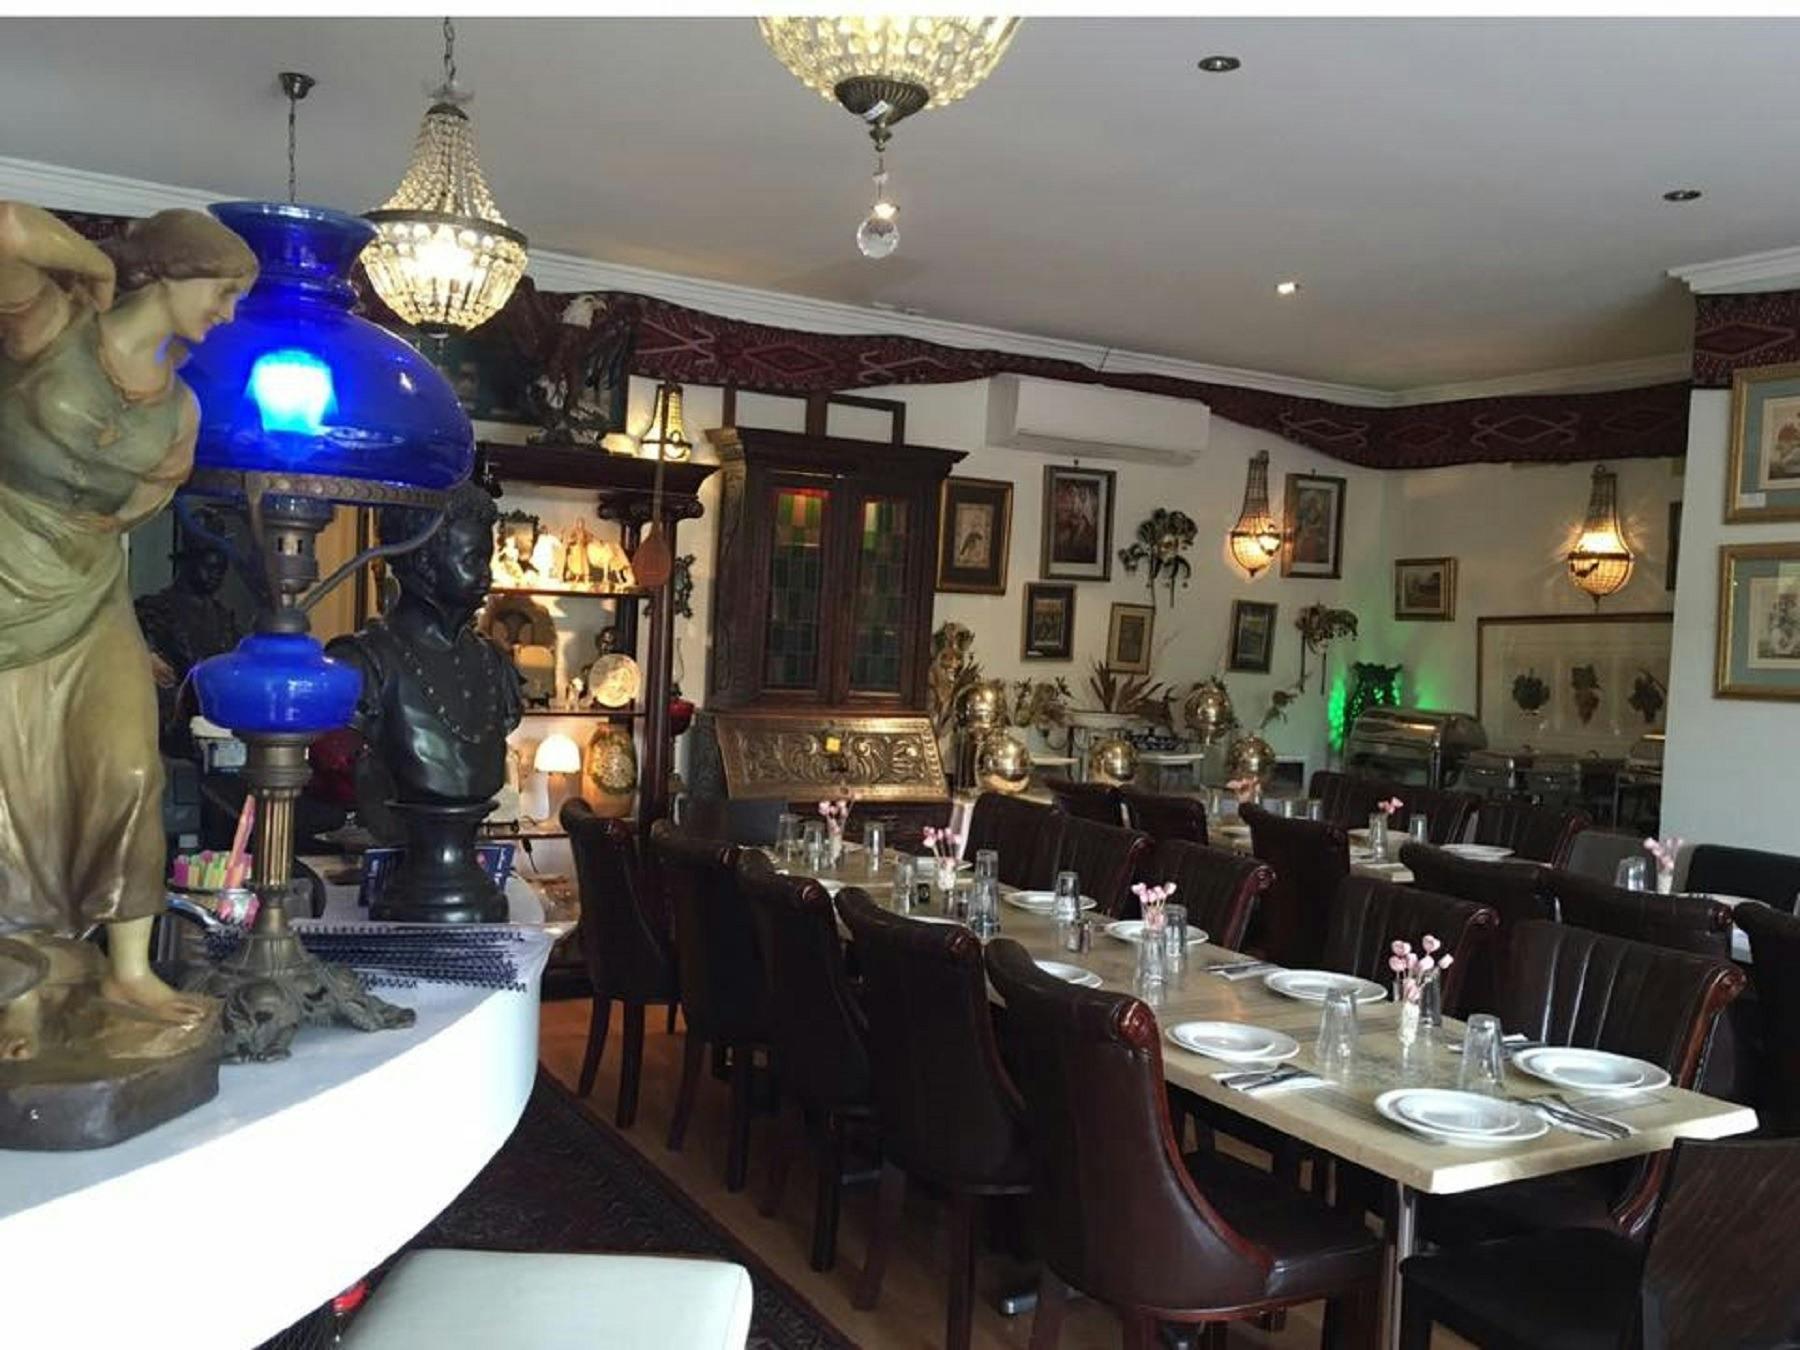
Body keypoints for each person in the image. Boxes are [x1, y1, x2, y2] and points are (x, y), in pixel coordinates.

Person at [0, 202, 256, 1046]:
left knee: (128, 771)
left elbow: (136, 508)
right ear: (169, 272)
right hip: (4, 584)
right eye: (220, 292)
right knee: (16, 794)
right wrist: (99, 268)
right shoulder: (50, 324)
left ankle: (131, 970)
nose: (225, 315)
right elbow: (6, 228)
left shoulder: (180, 409)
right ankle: (22, 984)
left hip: (89, 589)